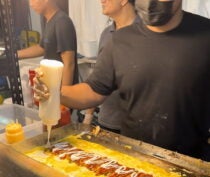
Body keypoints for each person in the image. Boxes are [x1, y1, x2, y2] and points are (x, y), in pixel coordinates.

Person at [34, 0, 210, 162]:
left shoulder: (205, 35)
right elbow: (93, 90)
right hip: (135, 158)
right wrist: (55, 91)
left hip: (193, 161)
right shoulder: (121, 40)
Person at [83, 0, 137, 134]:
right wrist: (88, 116)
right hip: (106, 122)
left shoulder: (146, 33)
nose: (102, 0)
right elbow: (97, 78)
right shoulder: (107, 34)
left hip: (136, 128)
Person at [18, 0, 78, 86]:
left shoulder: (62, 22)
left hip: (61, 89)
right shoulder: (50, 21)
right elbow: (42, 48)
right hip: (51, 86)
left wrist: (64, 94)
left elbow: (69, 63)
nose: (30, 4)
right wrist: (15, 54)